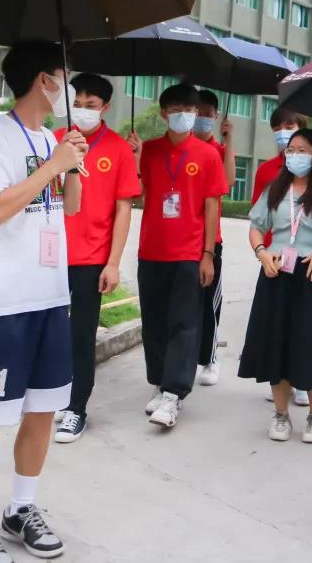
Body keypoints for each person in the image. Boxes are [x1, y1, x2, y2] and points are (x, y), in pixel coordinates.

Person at [0, 42, 87, 563]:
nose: (70, 86)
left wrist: (69, 164)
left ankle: (21, 509)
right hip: (2, 300)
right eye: (64, 76)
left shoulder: (52, 137)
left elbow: (70, 207)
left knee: (43, 409)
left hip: (49, 294)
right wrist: (52, 164)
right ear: (43, 81)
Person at [239, 128, 312, 444]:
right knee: (276, 341)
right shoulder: (276, 190)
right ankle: (281, 414)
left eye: (302, 150)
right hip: (275, 272)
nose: (294, 156)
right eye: (291, 150)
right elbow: (256, 227)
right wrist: (261, 252)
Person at [129, 83, 227, 429]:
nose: (183, 115)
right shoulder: (151, 150)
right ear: (163, 113)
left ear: (197, 113)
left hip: (189, 251)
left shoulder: (208, 154)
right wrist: (134, 158)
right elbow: (137, 193)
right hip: (152, 250)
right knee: (154, 322)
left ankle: (174, 394)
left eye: (189, 109)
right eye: (175, 109)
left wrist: (207, 254)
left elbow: (212, 205)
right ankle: (159, 382)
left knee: (184, 323)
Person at [53, 73, 141, 444]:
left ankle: (77, 408)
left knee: (81, 334)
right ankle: (54, 396)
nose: (83, 110)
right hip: (51, 255)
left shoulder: (118, 149)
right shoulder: (56, 140)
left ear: (105, 107)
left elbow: (124, 209)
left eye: (90, 105)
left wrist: (113, 262)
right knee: (50, 331)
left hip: (91, 258)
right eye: (77, 104)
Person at [251, 106, 311, 408]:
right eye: (277, 127)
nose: (283, 132)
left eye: (289, 126)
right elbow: (257, 221)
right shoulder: (266, 171)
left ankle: (301, 380)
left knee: (303, 323)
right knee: (275, 324)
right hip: (275, 259)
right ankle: (278, 378)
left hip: (308, 260)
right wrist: (262, 252)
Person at [193, 89, 235, 387]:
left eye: (208, 114)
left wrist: (229, 141)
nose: (202, 118)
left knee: (209, 303)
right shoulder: (182, 147)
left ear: (216, 116)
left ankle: (210, 358)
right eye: (198, 113)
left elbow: (229, 180)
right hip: (182, 241)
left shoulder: (218, 150)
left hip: (210, 240)